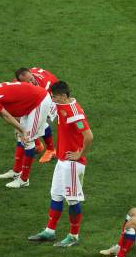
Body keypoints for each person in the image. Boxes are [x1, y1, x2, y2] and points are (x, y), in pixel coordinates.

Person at [27, 81, 93, 247]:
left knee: (72, 200)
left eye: (55, 97)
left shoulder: (75, 113)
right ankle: (50, 231)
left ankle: (74, 235)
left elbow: (89, 136)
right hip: (62, 161)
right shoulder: (62, 106)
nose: (53, 100)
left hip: (72, 163)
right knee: (56, 195)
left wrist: (80, 154)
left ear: (64, 96)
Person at [0, 81, 51, 188]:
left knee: (28, 139)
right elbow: (8, 114)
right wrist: (20, 130)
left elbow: (6, 116)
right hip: (29, 100)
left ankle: (24, 180)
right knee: (20, 136)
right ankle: (17, 171)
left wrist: (23, 131)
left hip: (38, 101)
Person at [15, 67, 59, 163]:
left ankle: (51, 150)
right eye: (27, 82)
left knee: (40, 121)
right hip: (37, 94)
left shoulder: (43, 86)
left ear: (31, 74)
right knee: (26, 117)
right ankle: (38, 145)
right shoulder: (16, 84)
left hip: (53, 96)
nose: (31, 82)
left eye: (31, 79)